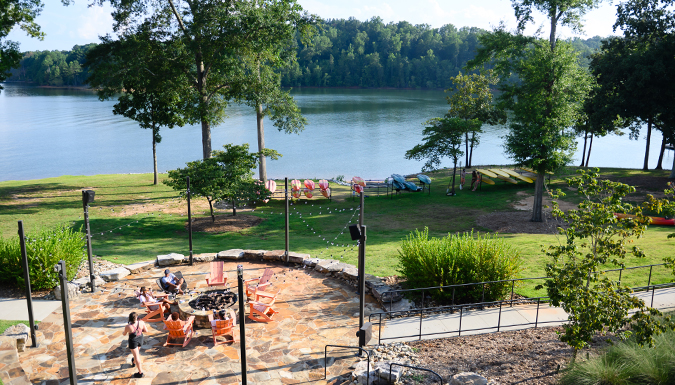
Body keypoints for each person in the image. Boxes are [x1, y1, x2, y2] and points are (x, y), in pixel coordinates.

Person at [123, 312, 148, 378]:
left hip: (133, 341)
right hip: (140, 339)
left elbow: (124, 334)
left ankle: (140, 373)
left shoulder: (128, 326)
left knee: (137, 356)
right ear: (136, 317)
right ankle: (134, 362)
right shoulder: (141, 322)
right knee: (136, 354)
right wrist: (139, 330)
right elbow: (146, 330)